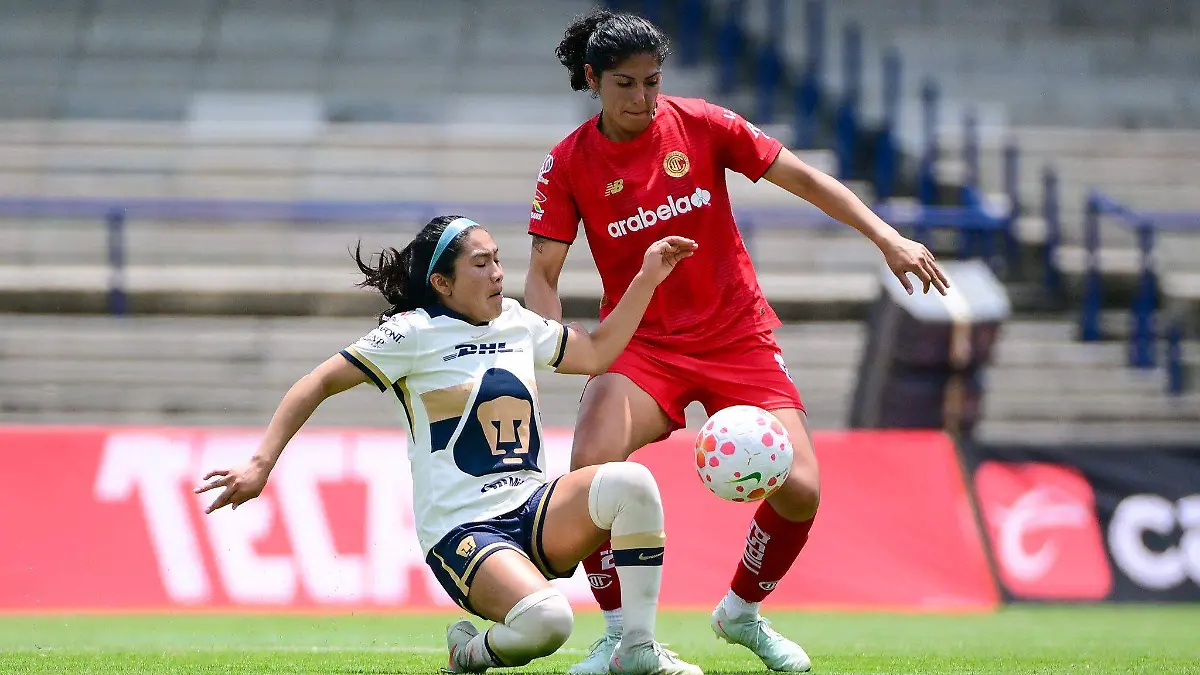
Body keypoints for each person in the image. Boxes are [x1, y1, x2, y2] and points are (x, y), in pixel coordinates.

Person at [524, 9, 951, 674]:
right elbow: (542, 273)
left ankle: (742, 610)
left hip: (736, 335)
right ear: (592, 79)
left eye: (652, 81)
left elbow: (804, 178)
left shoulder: (702, 123)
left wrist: (887, 237)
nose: (642, 98)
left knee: (800, 488)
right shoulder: (569, 161)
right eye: (625, 84)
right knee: (591, 471)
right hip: (640, 345)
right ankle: (620, 635)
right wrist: (549, 343)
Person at [194, 215, 704, 675]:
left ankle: (636, 647)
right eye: (480, 264)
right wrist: (260, 463)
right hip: (463, 529)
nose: (497, 273)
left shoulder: (517, 321)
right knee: (549, 623)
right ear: (442, 283)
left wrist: (647, 277)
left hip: (532, 508)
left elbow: (596, 354)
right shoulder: (412, 333)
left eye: (497, 259)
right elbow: (318, 382)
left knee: (632, 484)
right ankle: (470, 653)